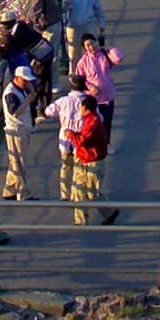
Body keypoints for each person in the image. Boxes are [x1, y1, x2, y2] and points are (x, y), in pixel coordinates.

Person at [66, 95, 119, 226]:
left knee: (92, 193)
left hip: (93, 160)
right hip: (84, 158)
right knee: (78, 190)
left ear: (86, 108)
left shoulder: (93, 121)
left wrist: (70, 134)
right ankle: (80, 221)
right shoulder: (89, 120)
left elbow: (82, 140)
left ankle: (110, 212)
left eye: (81, 107)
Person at [43, 75, 88, 201]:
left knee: (65, 167)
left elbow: (48, 112)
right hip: (81, 141)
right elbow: (99, 118)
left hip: (65, 140)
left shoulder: (63, 101)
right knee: (79, 170)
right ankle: (76, 193)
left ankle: (64, 194)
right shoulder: (88, 101)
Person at [75, 33, 121, 146]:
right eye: (88, 45)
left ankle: (106, 144)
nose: (91, 46)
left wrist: (107, 48)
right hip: (94, 100)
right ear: (85, 48)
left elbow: (118, 58)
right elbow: (78, 81)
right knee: (92, 124)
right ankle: (93, 145)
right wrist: (89, 87)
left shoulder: (104, 55)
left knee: (107, 122)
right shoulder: (83, 62)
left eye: (92, 43)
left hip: (108, 96)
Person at [1, 64, 38, 201]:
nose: (27, 83)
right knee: (19, 162)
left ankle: (9, 190)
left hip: (23, 128)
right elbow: (14, 112)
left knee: (15, 160)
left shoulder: (21, 89)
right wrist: (28, 99)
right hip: (15, 130)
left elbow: (32, 97)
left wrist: (31, 92)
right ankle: (23, 194)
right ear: (17, 78)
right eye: (25, 80)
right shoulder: (11, 93)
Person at [61, 0, 106, 72]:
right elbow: (64, 11)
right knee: (73, 55)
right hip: (73, 26)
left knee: (93, 52)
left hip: (89, 24)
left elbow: (98, 8)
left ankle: (95, 74)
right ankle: (73, 77)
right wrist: (66, 6)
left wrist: (102, 23)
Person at [20, 0, 62, 73]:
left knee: (51, 54)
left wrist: (26, 21)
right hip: (46, 27)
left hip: (51, 26)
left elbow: (35, 10)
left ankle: (54, 83)